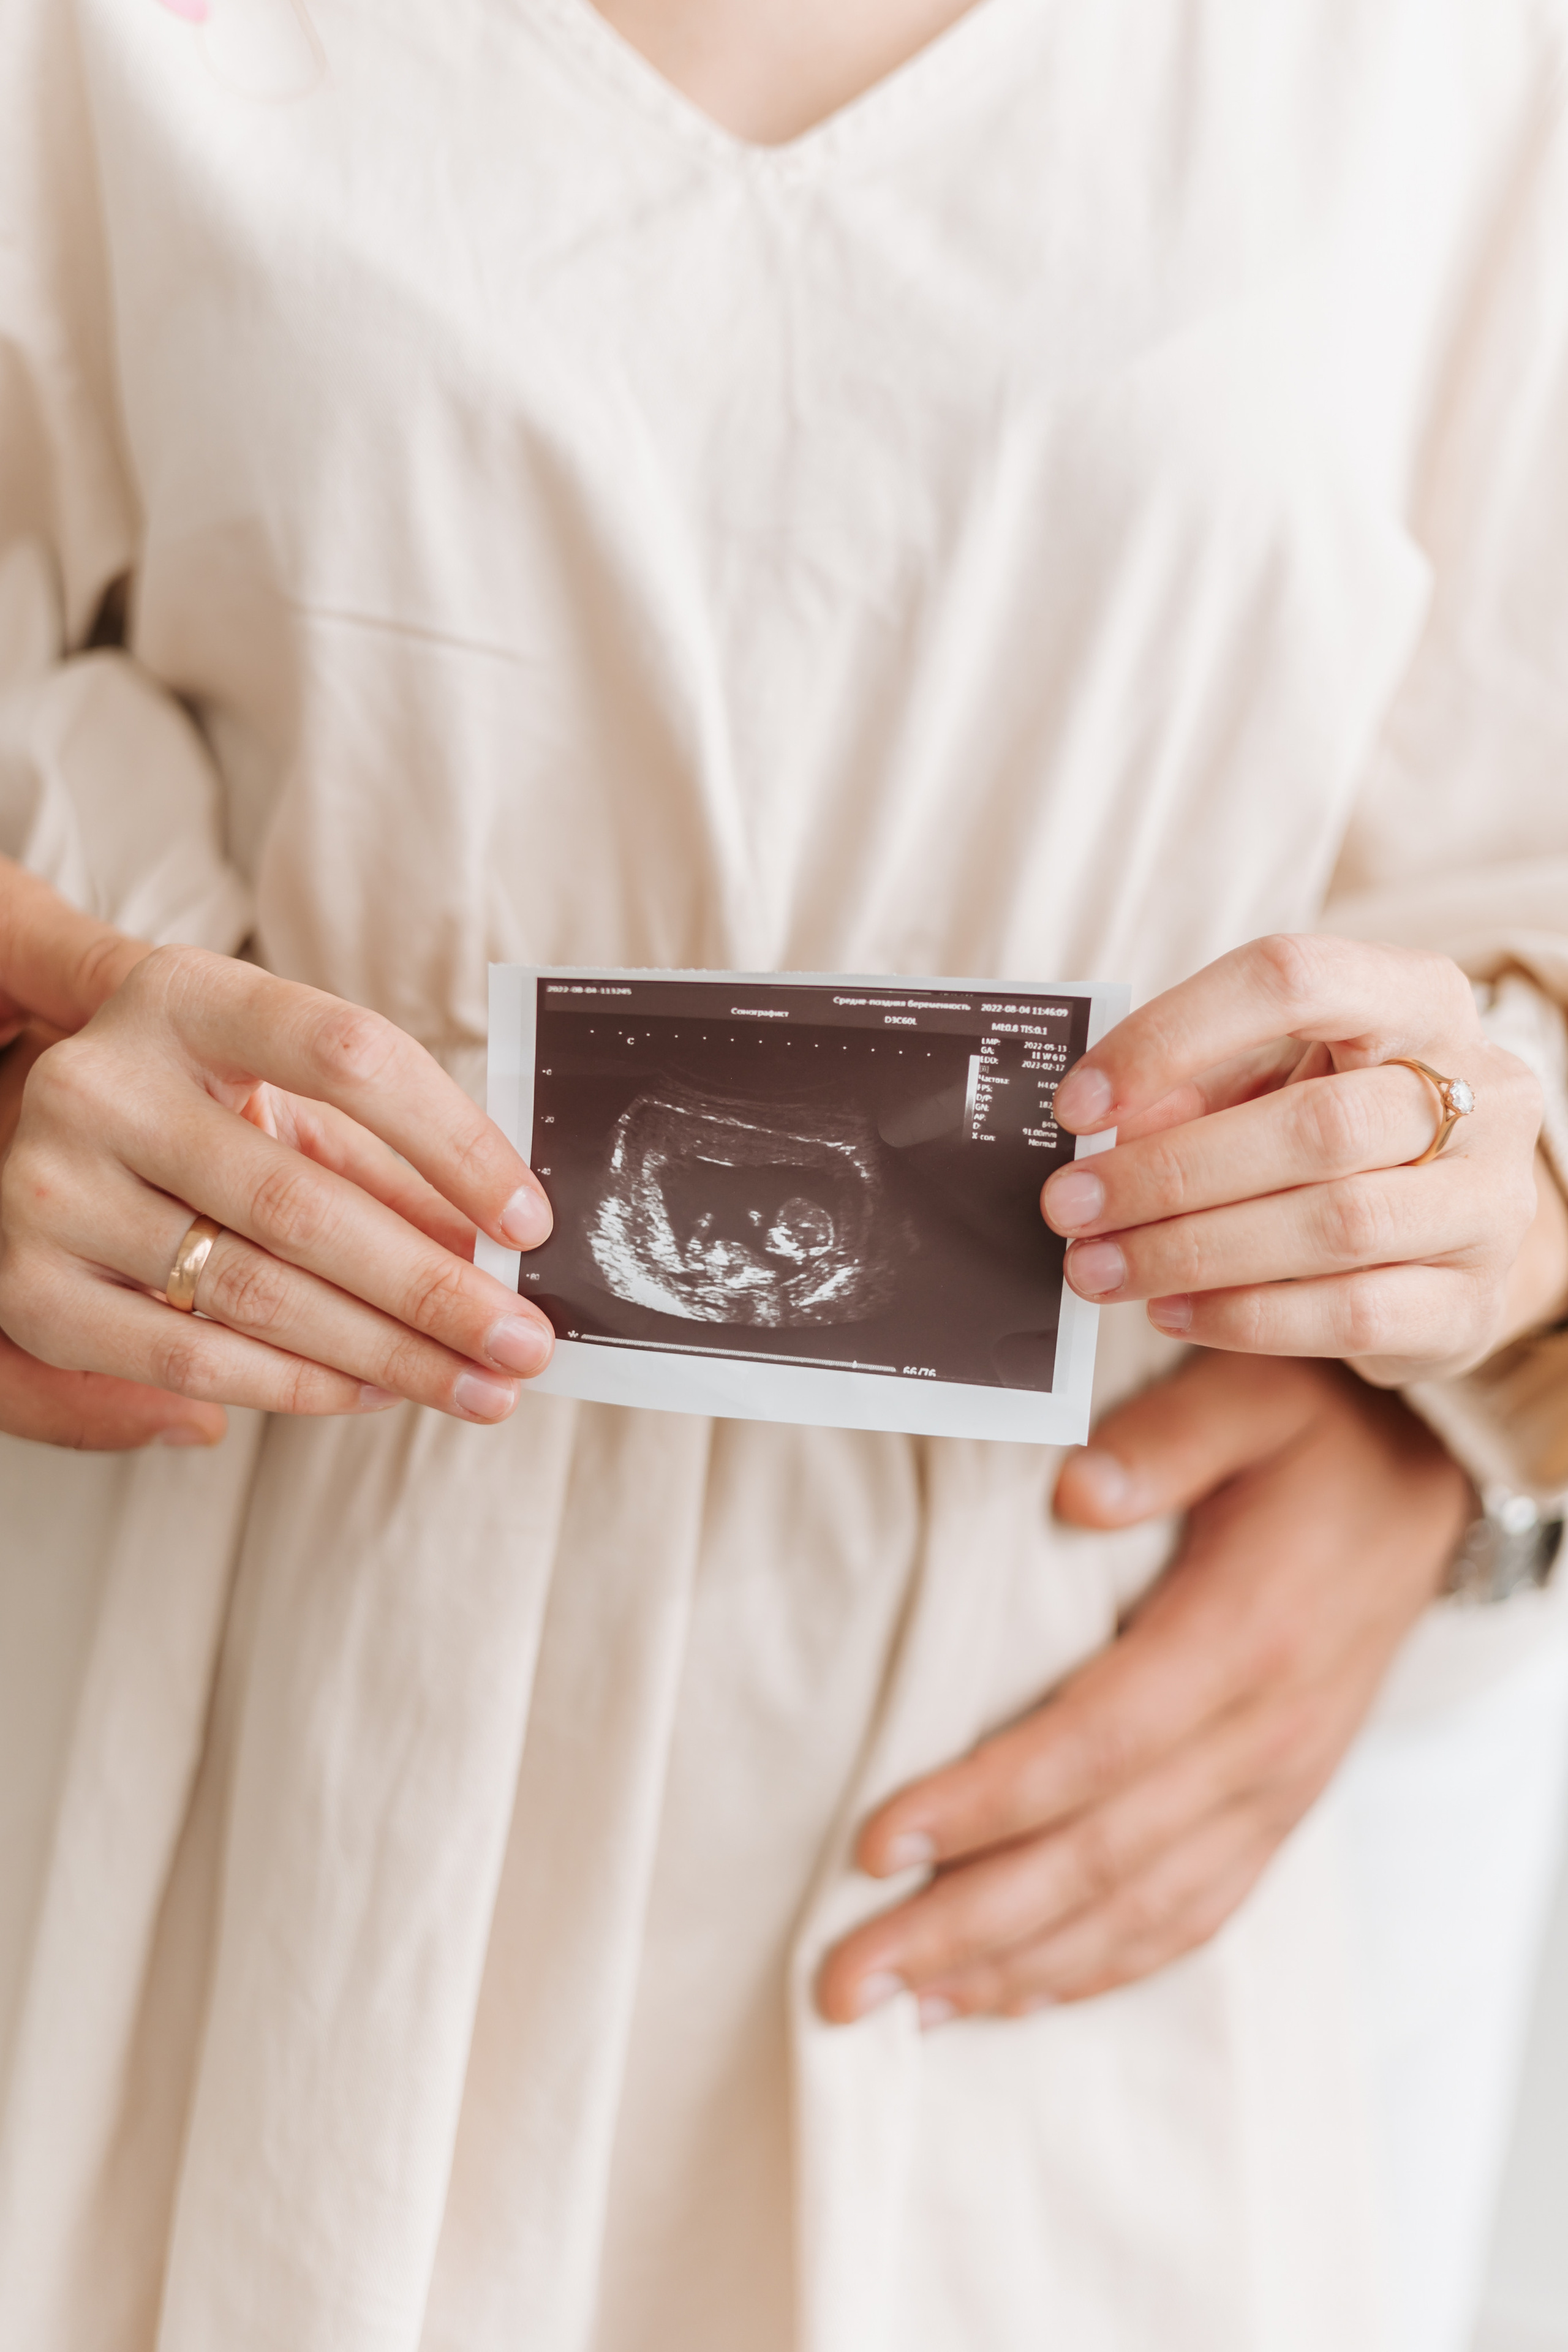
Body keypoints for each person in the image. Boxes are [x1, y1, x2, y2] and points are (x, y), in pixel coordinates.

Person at [2, 2, 1567, 2346]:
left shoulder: (1464, 64)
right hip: (255, 1714)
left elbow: (1515, 927)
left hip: (1047, 1761)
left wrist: (1472, 1362)